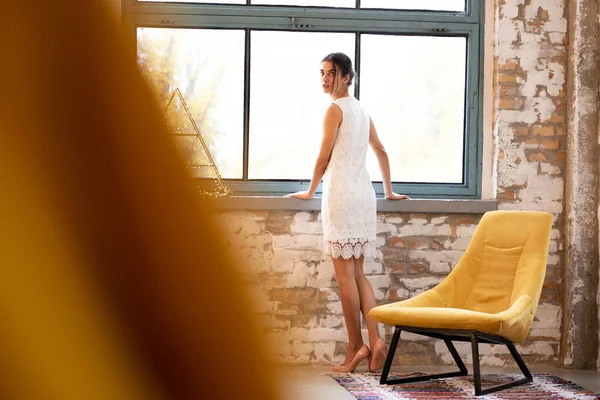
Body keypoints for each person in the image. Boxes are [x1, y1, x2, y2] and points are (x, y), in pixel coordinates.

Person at [285, 52, 409, 373]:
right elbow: (380, 150)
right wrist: (389, 192)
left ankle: (356, 348)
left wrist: (310, 191)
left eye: (332, 73)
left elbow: (322, 157)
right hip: (365, 198)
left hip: (341, 196)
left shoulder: (334, 110)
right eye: (322, 73)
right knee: (358, 274)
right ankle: (376, 340)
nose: (325, 79)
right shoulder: (363, 111)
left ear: (346, 77)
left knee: (345, 277)